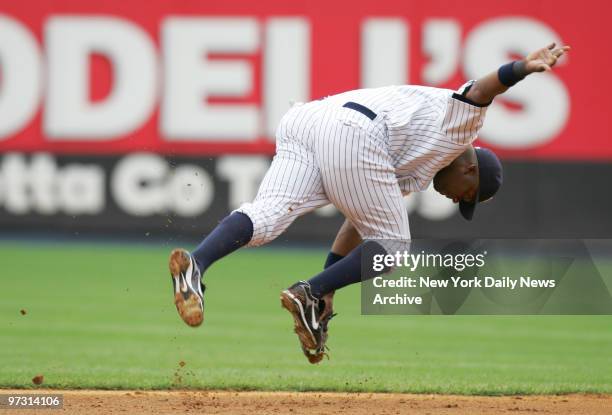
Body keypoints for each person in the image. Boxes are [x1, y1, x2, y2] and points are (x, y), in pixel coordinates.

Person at [168, 43, 570, 363]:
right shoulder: (461, 129)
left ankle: (196, 266)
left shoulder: (418, 165)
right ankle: (307, 292)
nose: (454, 200)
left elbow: (359, 221)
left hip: (307, 121)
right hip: (358, 132)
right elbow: (484, 90)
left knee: (268, 217)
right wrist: (521, 69)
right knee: (394, 248)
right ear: (470, 172)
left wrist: (329, 284)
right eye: (466, 196)